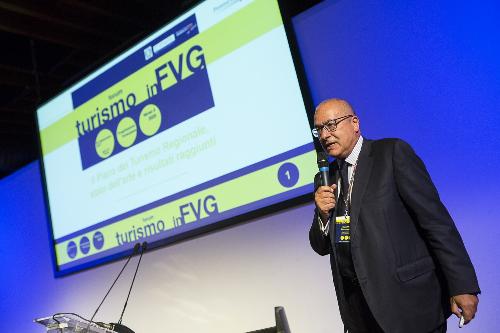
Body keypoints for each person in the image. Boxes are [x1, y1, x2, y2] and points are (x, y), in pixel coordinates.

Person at [309, 99, 480, 333]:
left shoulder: (390, 154)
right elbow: (321, 246)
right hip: (360, 312)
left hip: (408, 304)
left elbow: (436, 223)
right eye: (319, 129)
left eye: (331, 125)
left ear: (354, 123)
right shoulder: (325, 178)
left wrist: (462, 285)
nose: (324, 135)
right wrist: (323, 215)